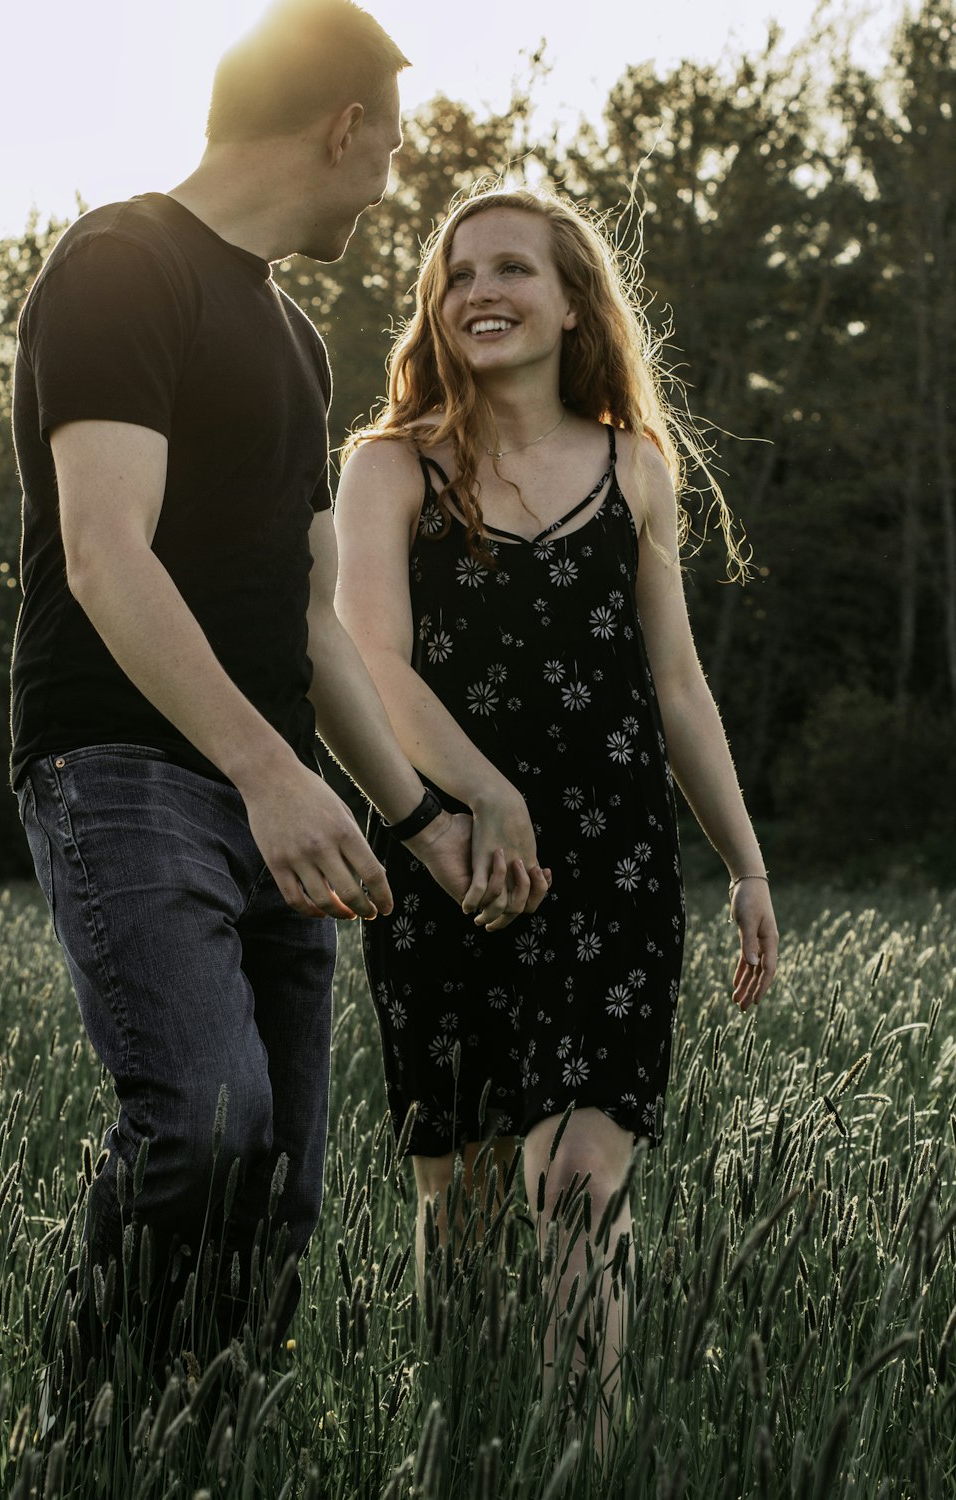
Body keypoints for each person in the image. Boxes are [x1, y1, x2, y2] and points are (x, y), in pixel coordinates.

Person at [11, 0, 549, 1404]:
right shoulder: (121, 265)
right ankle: (91, 1442)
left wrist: (421, 815)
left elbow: (312, 621)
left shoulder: (298, 343)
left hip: (278, 796)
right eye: (390, 151)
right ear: (344, 125)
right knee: (203, 1123)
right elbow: (102, 552)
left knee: (281, 1187)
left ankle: (207, 1451)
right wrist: (264, 770)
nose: (388, 187)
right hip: (125, 769)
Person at [333, 186, 779, 1447]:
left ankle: (586, 1462)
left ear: (574, 301)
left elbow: (677, 684)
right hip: (448, 862)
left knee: (579, 1181)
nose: (480, 289)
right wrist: (482, 795)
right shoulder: (390, 463)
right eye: (459, 271)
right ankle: (467, 1451)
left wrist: (742, 860)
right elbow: (371, 659)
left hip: (613, 867)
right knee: (464, 1207)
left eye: (514, 269)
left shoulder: (637, 462)